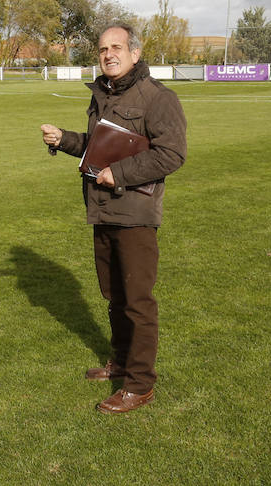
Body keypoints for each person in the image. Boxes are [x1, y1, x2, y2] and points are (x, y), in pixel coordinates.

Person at [39, 24, 186, 414]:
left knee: (137, 301)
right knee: (114, 295)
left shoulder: (158, 98)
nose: (108, 55)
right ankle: (120, 362)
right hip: (102, 210)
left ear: (135, 53)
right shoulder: (103, 94)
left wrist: (118, 174)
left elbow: (171, 154)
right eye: (103, 49)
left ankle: (140, 384)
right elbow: (100, 148)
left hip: (135, 214)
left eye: (117, 47)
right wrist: (65, 140)